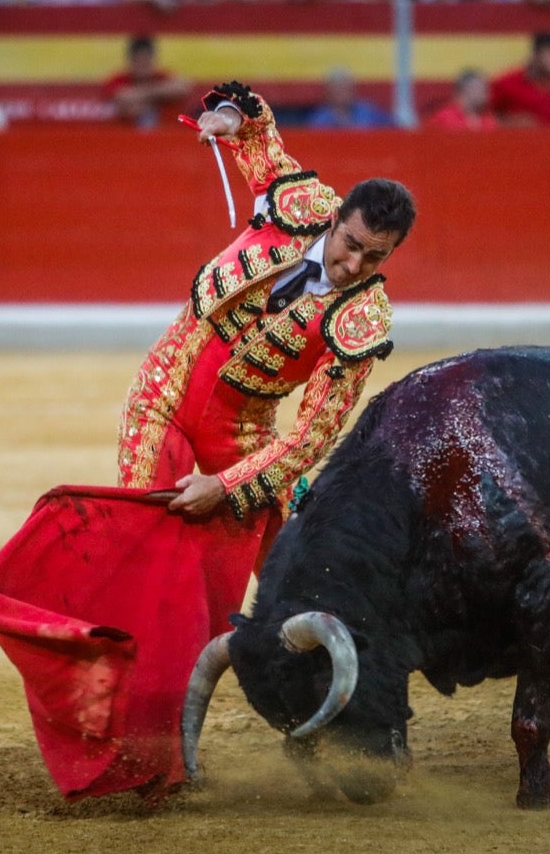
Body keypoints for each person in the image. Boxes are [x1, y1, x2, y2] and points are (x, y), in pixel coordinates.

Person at [119, 77, 414, 533]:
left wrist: (224, 486)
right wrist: (228, 119)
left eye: (375, 256)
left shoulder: (361, 321)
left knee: (297, 562)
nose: (354, 265)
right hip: (166, 390)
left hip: (243, 437)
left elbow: (310, 437)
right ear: (334, 218)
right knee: (145, 533)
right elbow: (257, 133)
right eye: (351, 244)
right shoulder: (296, 205)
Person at [102, 34, 192, 128]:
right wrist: (159, 96)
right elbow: (123, 97)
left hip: (162, 133)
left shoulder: (160, 76)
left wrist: (144, 97)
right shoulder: (119, 79)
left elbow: (183, 87)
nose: (142, 65)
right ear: (130, 60)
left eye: (146, 60)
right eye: (138, 60)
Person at [490, 31, 550, 126]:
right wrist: (510, 122)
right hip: (516, 139)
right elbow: (485, 114)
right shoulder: (508, 83)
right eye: (546, 55)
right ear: (535, 55)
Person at [306, 67, 392, 128]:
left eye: (347, 88)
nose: (344, 93)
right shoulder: (319, 120)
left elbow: (396, 131)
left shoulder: (369, 112)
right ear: (328, 92)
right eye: (338, 88)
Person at [427, 68, 493, 129]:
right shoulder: (444, 119)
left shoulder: (488, 121)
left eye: (485, 89)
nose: (485, 93)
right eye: (481, 88)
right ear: (464, 89)